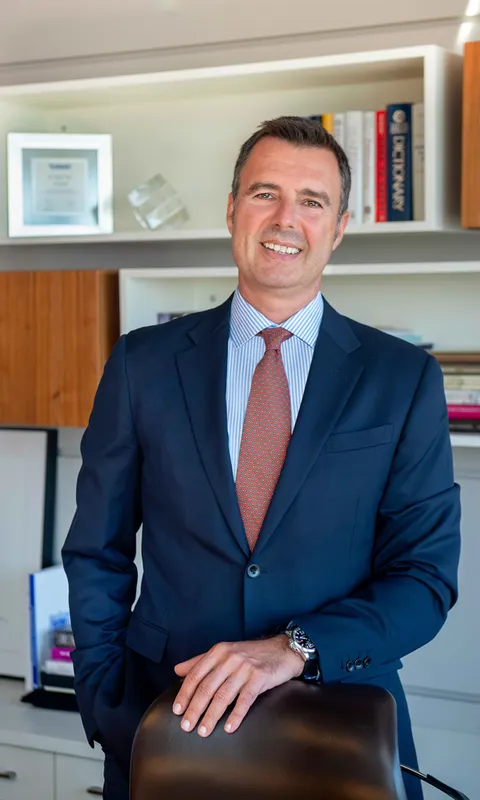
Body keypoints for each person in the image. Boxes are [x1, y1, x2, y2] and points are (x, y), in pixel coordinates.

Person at [62, 116, 461, 800]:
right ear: (232, 209)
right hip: (163, 722)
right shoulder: (141, 364)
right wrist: (105, 702)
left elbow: (424, 579)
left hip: (342, 733)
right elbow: (96, 551)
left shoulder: (403, 378)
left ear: (339, 228)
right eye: (264, 193)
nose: (285, 219)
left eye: (312, 201)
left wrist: (294, 647)